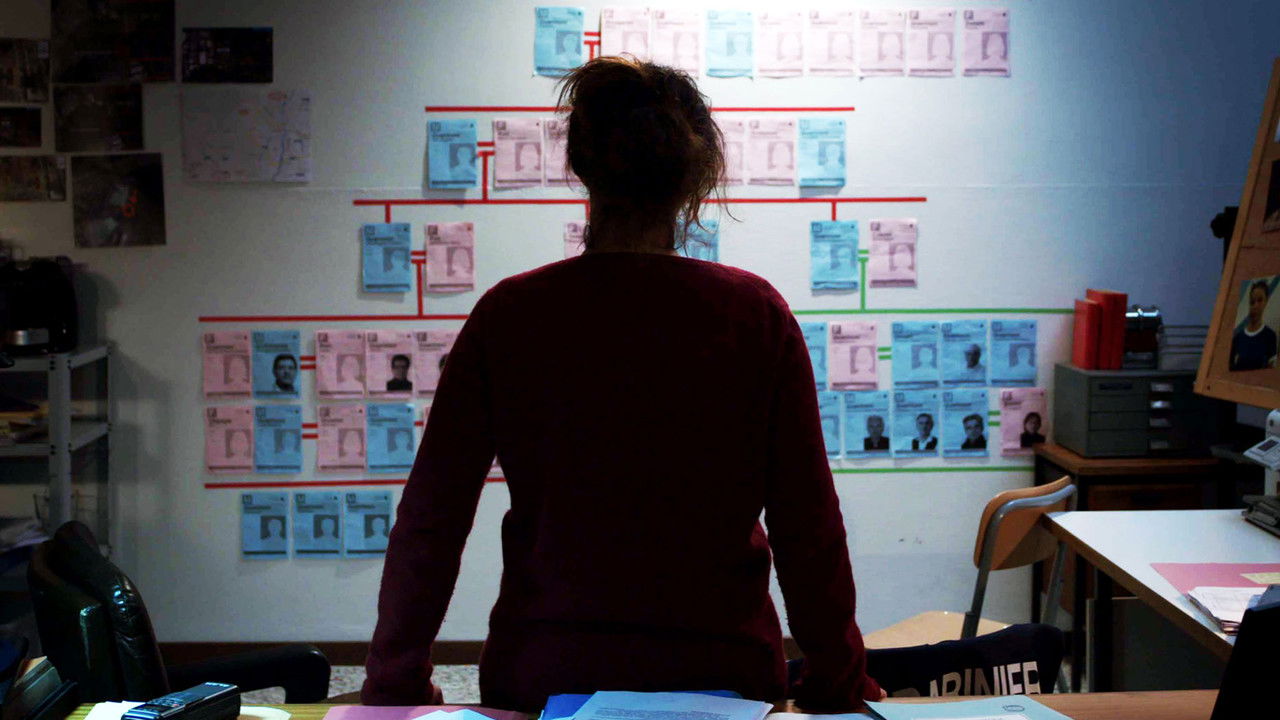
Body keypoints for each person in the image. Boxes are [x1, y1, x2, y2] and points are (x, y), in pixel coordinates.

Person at [364, 57, 883, 712]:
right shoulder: (755, 315)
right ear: (696, 178)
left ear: (581, 165)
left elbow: (431, 520)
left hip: (544, 673)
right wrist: (838, 681)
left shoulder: (511, 315)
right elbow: (807, 525)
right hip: (724, 677)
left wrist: (394, 683)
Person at [1229, 281, 1278, 370]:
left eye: (1260, 300)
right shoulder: (1238, 338)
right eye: (1252, 302)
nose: (1255, 306)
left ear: (1266, 301)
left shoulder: (1270, 336)